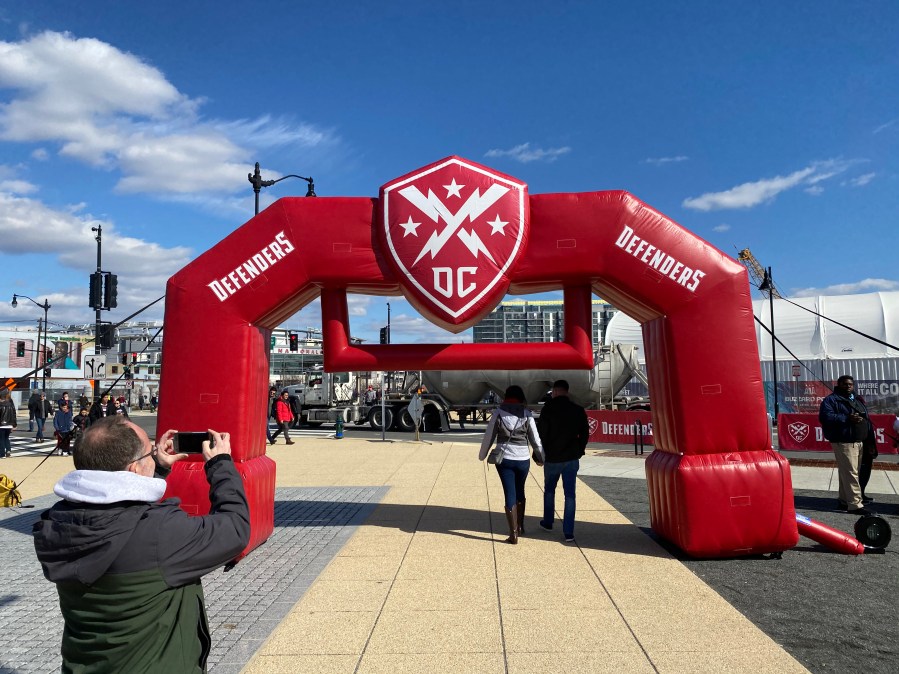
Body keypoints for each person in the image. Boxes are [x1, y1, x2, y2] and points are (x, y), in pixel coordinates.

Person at [32, 417, 250, 673]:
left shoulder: (57, 524)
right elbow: (235, 529)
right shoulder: (160, 532)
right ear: (134, 468)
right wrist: (220, 464)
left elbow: (120, 516)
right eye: (150, 452)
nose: (154, 454)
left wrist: (156, 467)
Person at [478, 385, 544, 544]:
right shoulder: (527, 414)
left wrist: (482, 455)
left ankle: (513, 534)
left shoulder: (498, 413)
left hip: (504, 459)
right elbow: (535, 440)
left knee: (509, 493)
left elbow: (488, 437)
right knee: (520, 490)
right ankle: (520, 526)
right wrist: (542, 458)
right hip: (523, 460)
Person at [536, 379, 590, 542]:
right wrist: (580, 450)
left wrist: (538, 456)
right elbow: (585, 433)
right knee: (570, 495)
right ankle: (568, 532)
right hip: (571, 457)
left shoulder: (548, 409)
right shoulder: (577, 410)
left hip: (552, 457)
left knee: (549, 490)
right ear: (567, 391)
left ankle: (548, 522)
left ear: (555, 392)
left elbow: (541, 435)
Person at [819, 375, 873, 515]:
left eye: (850, 384)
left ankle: (844, 501)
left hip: (859, 441)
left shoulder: (856, 399)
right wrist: (847, 418)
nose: (848, 386)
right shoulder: (831, 400)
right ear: (839, 385)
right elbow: (825, 417)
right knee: (851, 473)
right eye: (845, 384)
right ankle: (855, 504)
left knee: (848, 472)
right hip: (844, 442)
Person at [0, 392, 16, 458]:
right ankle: (8, 451)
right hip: (9, 425)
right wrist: (14, 425)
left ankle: (2, 454)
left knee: (1, 439)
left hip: (1, 425)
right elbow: (14, 415)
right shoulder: (11, 405)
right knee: (6, 438)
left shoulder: (0, 405)